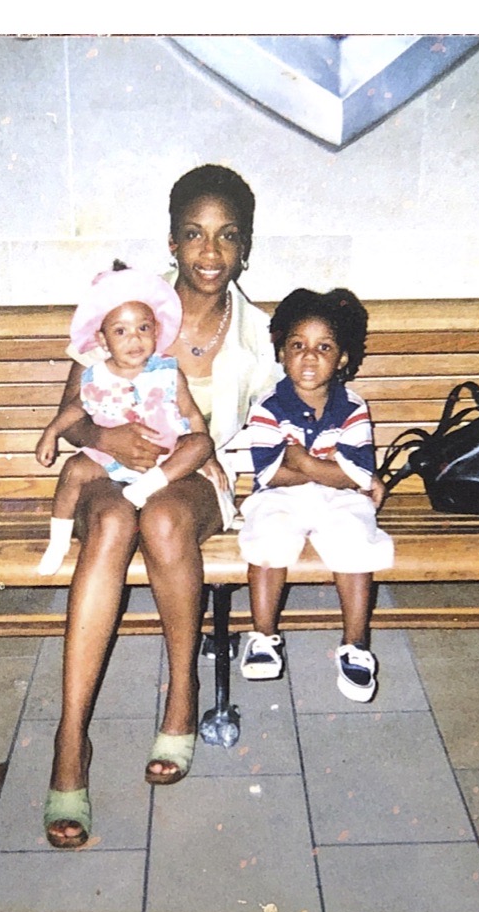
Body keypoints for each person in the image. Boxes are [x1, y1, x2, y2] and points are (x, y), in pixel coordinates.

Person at [37, 165, 279, 848]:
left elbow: (275, 427)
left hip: (196, 478)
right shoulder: (129, 307)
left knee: (165, 516)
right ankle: (70, 738)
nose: (210, 251)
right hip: (109, 470)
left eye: (227, 236)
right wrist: (100, 436)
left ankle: (182, 696)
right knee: (114, 519)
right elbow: (71, 412)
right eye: (194, 234)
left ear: (245, 246)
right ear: (172, 241)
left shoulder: (260, 336)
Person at [237, 287, 394, 703]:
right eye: (298, 346)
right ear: (281, 353)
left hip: (340, 499)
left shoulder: (352, 407)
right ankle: (263, 636)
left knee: (354, 539)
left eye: (324, 347)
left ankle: (355, 644)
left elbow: (357, 475)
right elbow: (270, 474)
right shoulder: (268, 406)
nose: (309, 357)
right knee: (269, 538)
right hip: (279, 496)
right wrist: (332, 471)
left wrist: (304, 462)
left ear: (342, 358)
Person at [33, 264, 214, 574]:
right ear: (103, 340)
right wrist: (51, 432)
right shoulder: (96, 376)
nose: (134, 339)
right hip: (111, 458)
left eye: (143, 328)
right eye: (121, 331)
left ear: (156, 331)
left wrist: (206, 458)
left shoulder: (168, 372)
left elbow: (192, 414)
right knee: (73, 469)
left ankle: (144, 488)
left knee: (201, 443)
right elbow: (76, 408)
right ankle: (58, 541)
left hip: (164, 457)